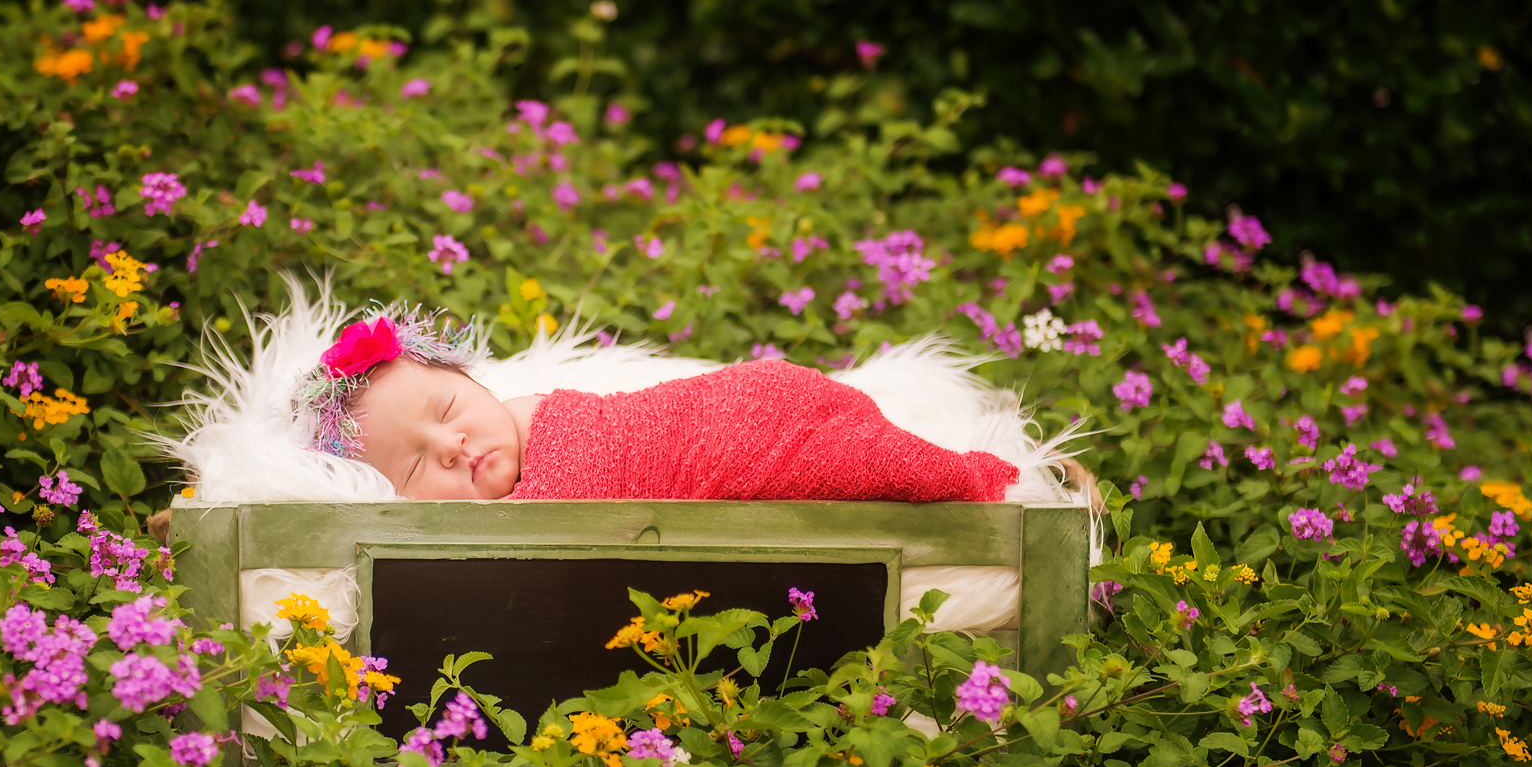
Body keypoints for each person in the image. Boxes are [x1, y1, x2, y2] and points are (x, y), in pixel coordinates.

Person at [303, 310, 1019, 504]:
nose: (453, 444)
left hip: (751, 412)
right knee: (853, 452)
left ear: (480, 384)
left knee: (866, 460)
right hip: (744, 432)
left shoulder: (534, 423)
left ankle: (982, 477)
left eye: (450, 408)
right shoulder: (493, 473)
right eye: (417, 463)